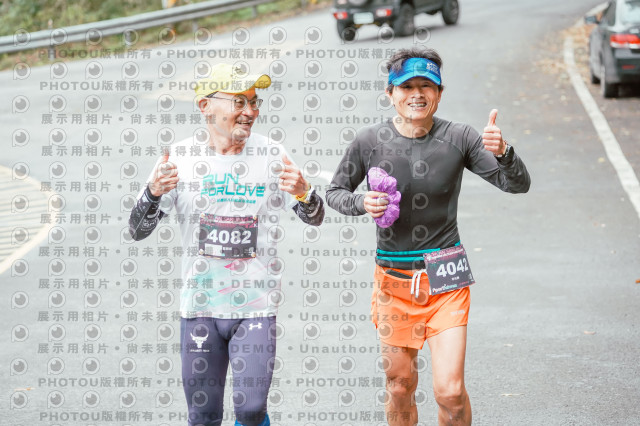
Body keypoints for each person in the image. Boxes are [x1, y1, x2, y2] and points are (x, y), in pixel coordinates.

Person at [326, 47, 530, 426]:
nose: (417, 94)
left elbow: (516, 184)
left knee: (449, 392)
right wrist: (360, 202)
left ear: (439, 92)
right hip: (393, 279)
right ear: (390, 93)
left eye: (426, 86)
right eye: (407, 86)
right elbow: (335, 192)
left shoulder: (460, 137)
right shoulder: (369, 141)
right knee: (399, 385)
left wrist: (504, 152)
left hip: (445, 278)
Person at [128, 63, 324, 426]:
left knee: (250, 409)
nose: (250, 111)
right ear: (205, 106)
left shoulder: (272, 154)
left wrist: (304, 192)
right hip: (200, 307)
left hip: (256, 306)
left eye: (254, 101)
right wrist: (153, 193)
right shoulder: (180, 158)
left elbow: (314, 216)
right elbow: (137, 230)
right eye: (239, 101)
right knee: (203, 416)